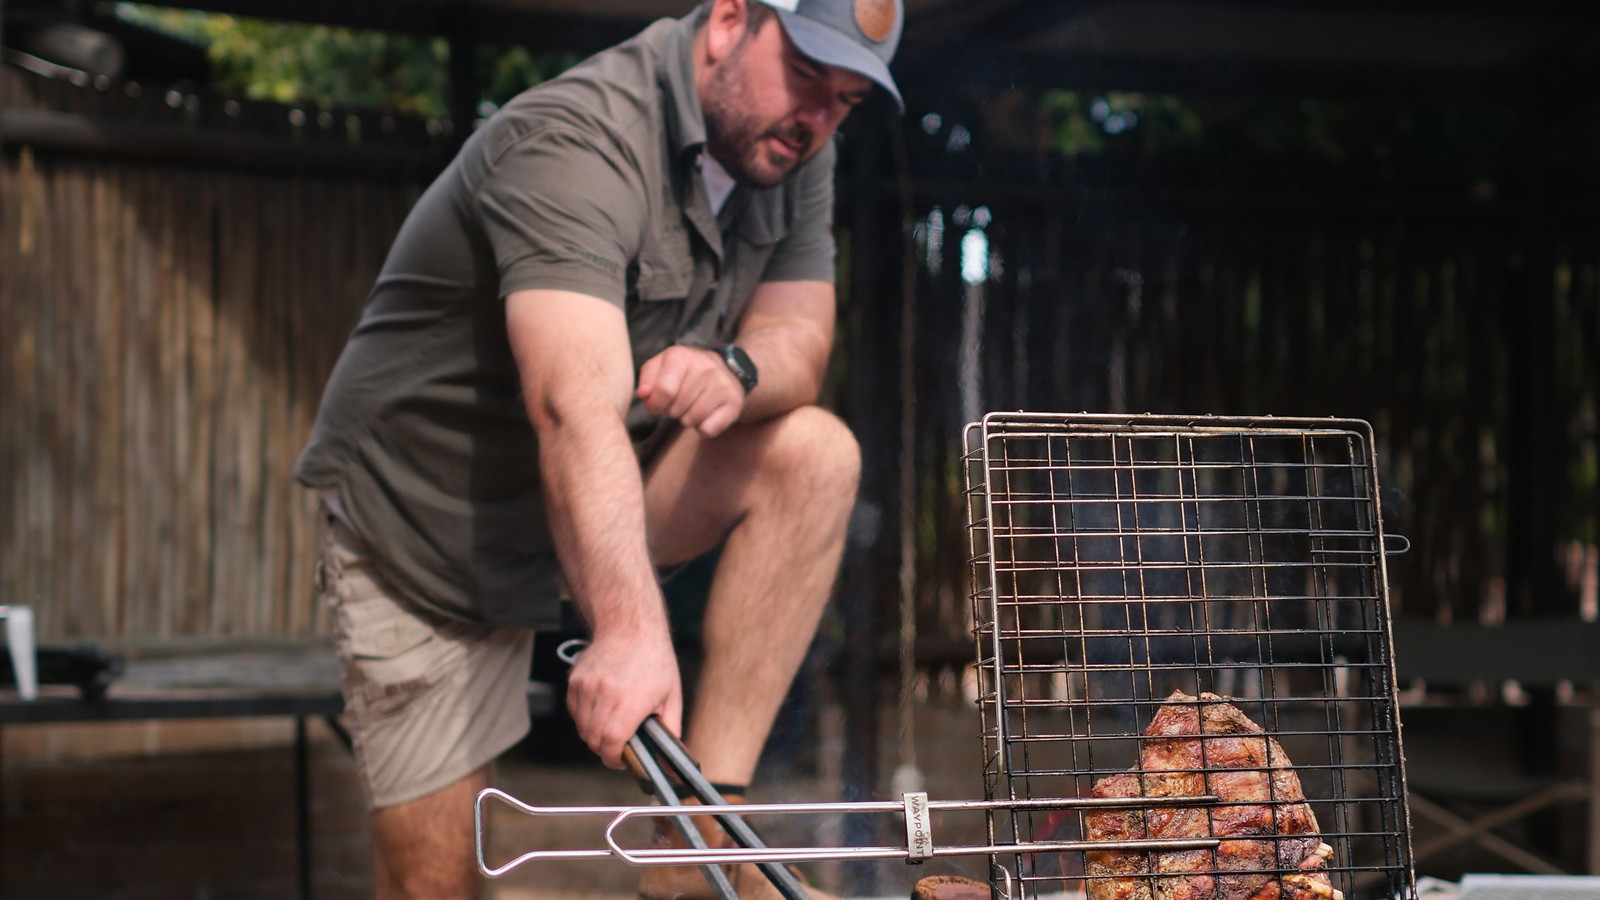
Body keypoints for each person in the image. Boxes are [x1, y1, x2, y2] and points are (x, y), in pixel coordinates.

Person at [293, 0, 904, 896]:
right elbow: (571, 403)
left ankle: (695, 848)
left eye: (846, 98)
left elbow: (800, 343)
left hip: (597, 499)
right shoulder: (574, 139)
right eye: (808, 73)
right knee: (439, 884)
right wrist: (627, 632)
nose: (819, 116)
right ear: (730, 20)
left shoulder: (791, 147)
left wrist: (735, 366)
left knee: (815, 454)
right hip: (432, 531)